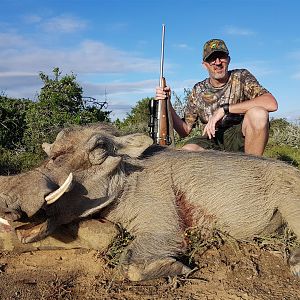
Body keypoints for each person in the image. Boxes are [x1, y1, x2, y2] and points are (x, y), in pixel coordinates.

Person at [155, 39, 278, 156]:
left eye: (222, 57)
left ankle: (253, 171)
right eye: (212, 59)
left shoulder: (241, 76)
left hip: (238, 136)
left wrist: (224, 109)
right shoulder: (198, 89)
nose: (218, 62)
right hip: (210, 139)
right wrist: (168, 103)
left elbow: (271, 103)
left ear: (228, 60)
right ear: (205, 65)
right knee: (187, 152)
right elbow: (184, 130)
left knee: (258, 114)